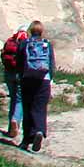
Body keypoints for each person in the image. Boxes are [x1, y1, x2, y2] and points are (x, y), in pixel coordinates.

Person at [16, 20, 55, 153]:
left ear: (30, 31)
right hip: (44, 80)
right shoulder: (47, 44)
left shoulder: (24, 44)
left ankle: (26, 140)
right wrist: (51, 79)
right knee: (40, 108)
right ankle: (39, 131)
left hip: (27, 79)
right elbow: (51, 63)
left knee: (27, 108)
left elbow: (19, 62)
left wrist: (20, 76)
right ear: (41, 31)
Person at [0, 24, 29, 138]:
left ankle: (10, 129)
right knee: (20, 100)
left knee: (13, 99)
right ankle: (15, 120)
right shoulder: (26, 42)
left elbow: (2, 56)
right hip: (20, 74)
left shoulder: (10, 40)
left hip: (9, 73)